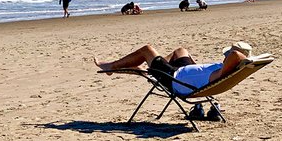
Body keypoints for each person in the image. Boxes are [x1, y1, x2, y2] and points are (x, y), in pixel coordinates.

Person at [94, 41, 253, 97]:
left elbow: (237, 55)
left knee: (147, 50)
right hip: (184, 74)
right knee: (181, 51)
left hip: (175, 79)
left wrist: (242, 58)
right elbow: (237, 57)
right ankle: (150, 67)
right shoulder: (226, 69)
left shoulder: (225, 70)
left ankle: (111, 66)